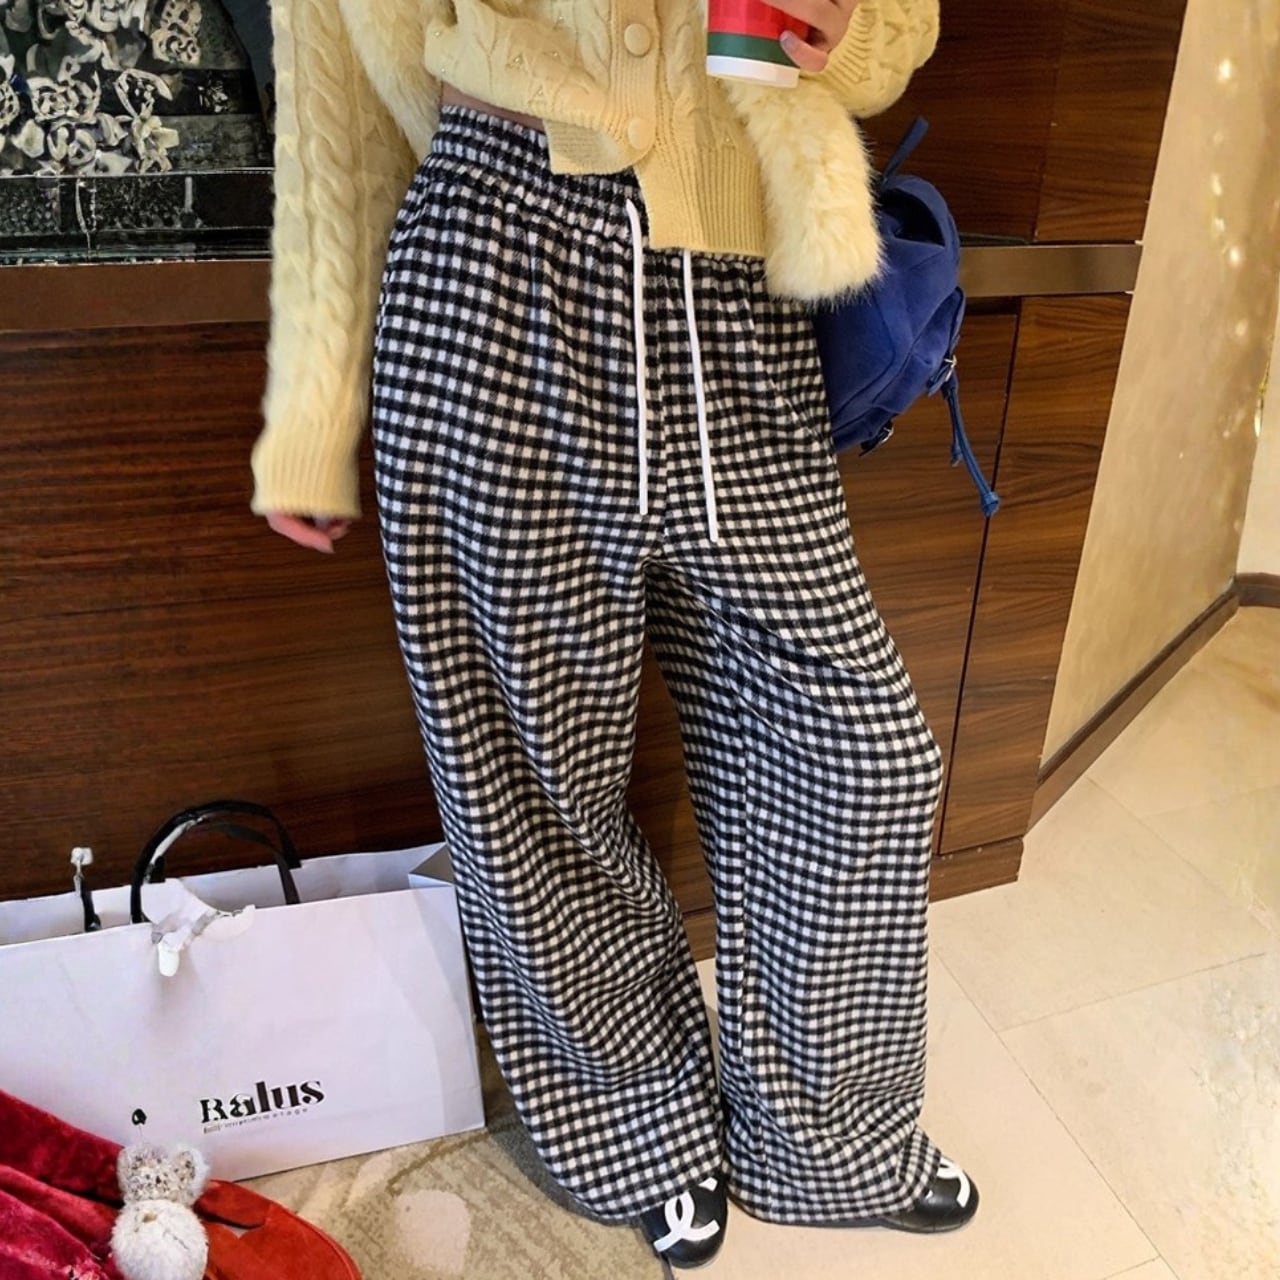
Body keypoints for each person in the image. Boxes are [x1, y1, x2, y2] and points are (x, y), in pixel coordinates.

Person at [250, 0, 978, 1268]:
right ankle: (635, 1122)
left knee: (860, 753)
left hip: (743, 288)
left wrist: (849, 28)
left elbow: (892, 36)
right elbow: (335, 107)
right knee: (536, 776)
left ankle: (827, 1136)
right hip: (493, 271)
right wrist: (314, 409)